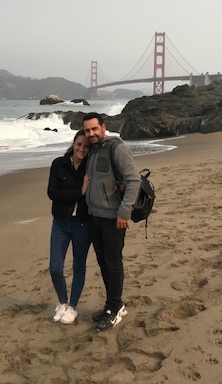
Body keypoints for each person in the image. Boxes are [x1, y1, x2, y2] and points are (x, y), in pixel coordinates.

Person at [82, 112, 140, 332]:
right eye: (87, 130)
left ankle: (114, 309)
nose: (91, 133)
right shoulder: (92, 151)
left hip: (114, 219)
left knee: (113, 263)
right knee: (104, 263)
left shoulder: (117, 148)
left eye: (94, 129)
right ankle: (114, 304)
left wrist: (124, 212)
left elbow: (133, 179)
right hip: (95, 217)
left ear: (103, 127)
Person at [47, 129, 91, 325]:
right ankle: (63, 302)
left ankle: (72, 306)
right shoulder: (59, 164)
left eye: (86, 146)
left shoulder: (90, 167)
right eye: (79, 144)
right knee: (55, 267)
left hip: (82, 224)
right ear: (73, 144)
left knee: (78, 266)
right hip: (60, 223)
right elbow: (52, 193)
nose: (82, 149)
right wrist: (79, 192)